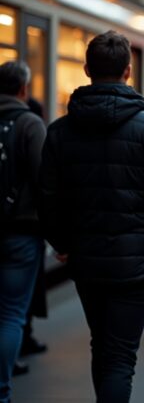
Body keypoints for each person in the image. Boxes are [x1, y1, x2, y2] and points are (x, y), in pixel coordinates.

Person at [39, 31, 144, 403]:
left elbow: (47, 199)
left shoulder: (59, 131)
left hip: (86, 260)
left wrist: (61, 244)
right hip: (136, 264)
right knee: (120, 356)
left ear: (87, 69)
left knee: (103, 347)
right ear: (129, 71)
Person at [0, 62, 46, 403]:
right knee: (12, 313)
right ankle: (2, 388)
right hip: (20, 232)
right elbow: (46, 183)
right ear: (23, 90)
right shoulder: (30, 123)